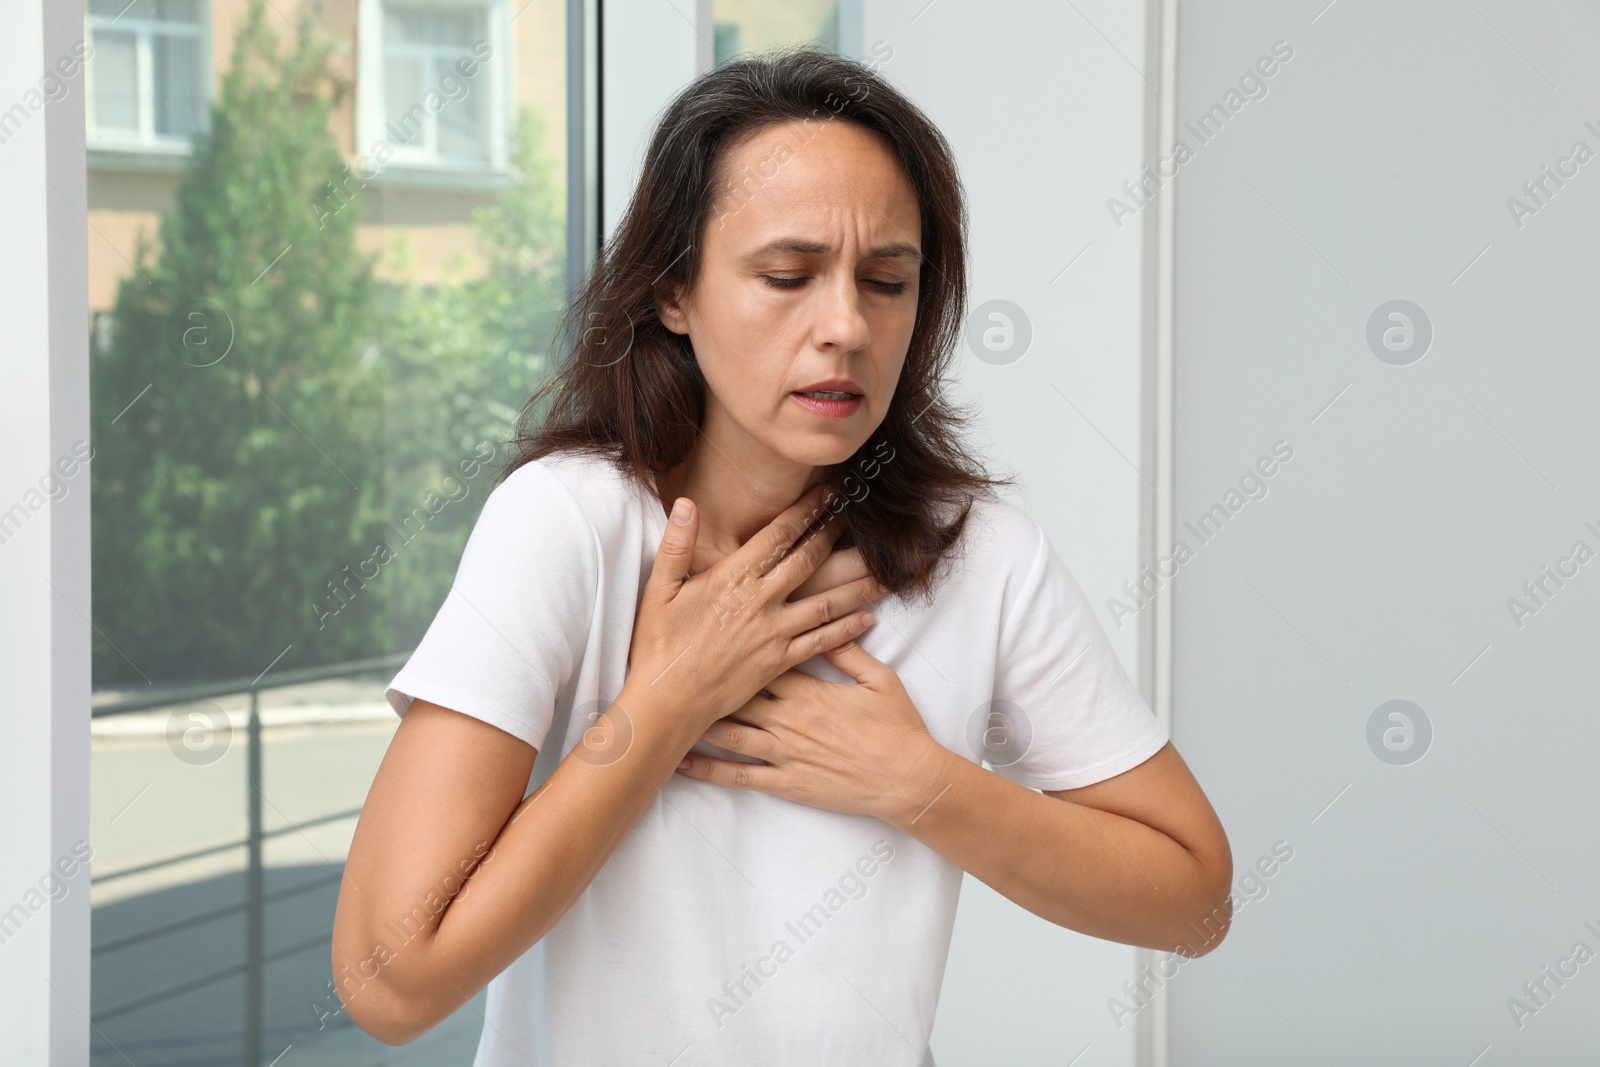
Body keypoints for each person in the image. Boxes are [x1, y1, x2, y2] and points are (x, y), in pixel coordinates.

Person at [331, 47, 1232, 1065]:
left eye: (886, 280)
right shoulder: (567, 522)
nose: (845, 327)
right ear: (674, 290)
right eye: (786, 275)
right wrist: (667, 702)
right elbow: (390, 980)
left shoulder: (979, 556)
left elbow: (1194, 902)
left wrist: (920, 781)